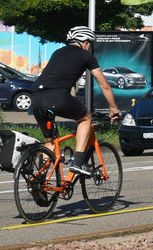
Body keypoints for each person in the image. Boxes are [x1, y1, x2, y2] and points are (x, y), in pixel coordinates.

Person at [31, 26, 122, 176]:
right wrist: (113, 108)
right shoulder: (86, 55)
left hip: (35, 97)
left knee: (50, 142)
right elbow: (104, 85)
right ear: (85, 42)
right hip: (57, 96)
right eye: (90, 44)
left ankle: (39, 182)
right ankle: (78, 161)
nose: (89, 47)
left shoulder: (57, 52)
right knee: (85, 118)